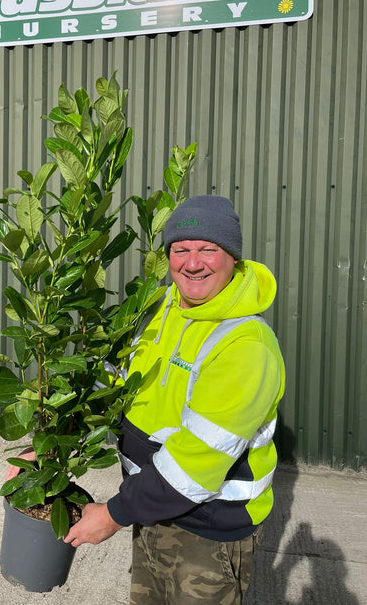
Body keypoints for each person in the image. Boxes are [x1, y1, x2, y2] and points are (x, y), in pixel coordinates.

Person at [62, 194, 286, 604]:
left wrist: (112, 515)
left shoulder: (246, 346)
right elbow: (116, 385)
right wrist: (47, 441)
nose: (193, 262)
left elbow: (196, 464)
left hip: (207, 532)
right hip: (151, 512)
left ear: (234, 258)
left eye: (208, 249)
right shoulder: (161, 307)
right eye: (180, 250)